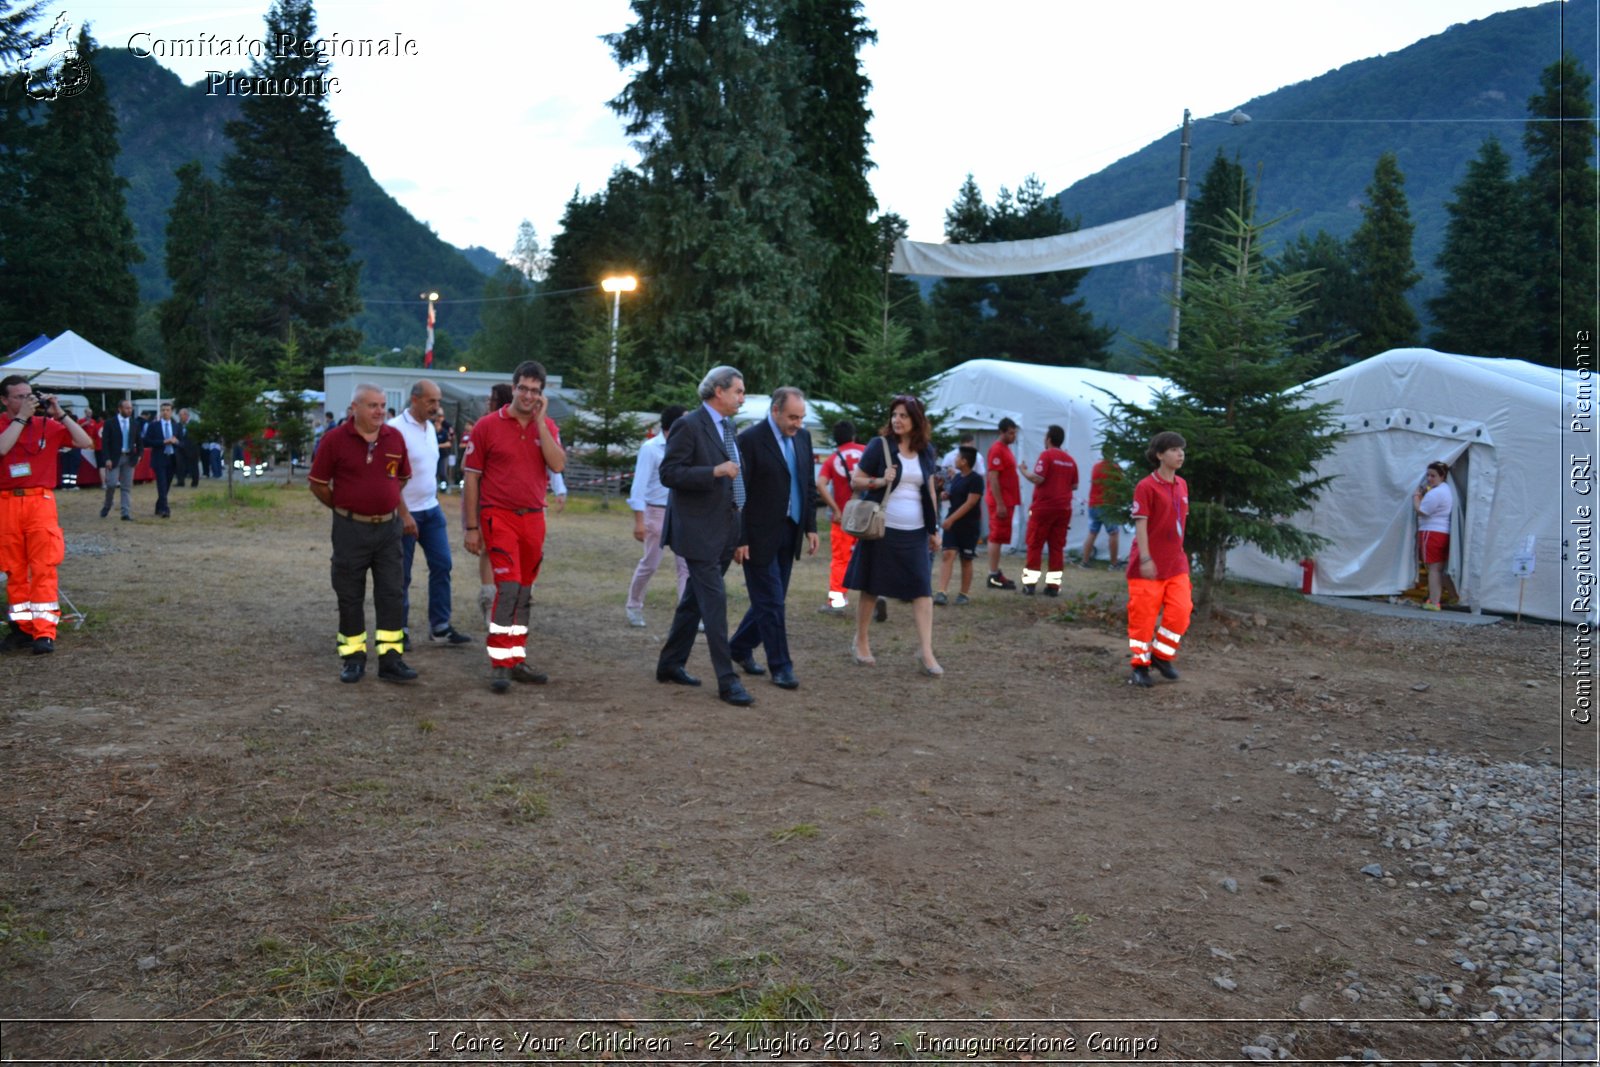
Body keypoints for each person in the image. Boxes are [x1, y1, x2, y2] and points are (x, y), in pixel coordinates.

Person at [654, 365, 756, 708]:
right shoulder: (688, 425)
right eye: (738, 391)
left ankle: (669, 664)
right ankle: (728, 682)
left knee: (694, 601)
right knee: (714, 602)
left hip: (726, 528)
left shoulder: (729, 426)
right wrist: (714, 471)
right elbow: (669, 473)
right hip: (698, 532)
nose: (742, 397)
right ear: (718, 391)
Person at [461, 360, 565, 693]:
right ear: (514, 386)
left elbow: (558, 464)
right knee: (507, 589)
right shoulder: (487, 425)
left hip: (534, 516)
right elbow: (471, 478)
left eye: (535, 391)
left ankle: (517, 658)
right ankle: (500, 664)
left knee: (524, 592)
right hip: (499, 515)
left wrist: (542, 425)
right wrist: (472, 527)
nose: (528, 395)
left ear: (541, 395)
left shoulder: (546, 425)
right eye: (523, 388)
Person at [307, 383, 419, 684]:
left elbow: (401, 478)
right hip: (349, 530)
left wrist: (383, 503)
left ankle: (391, 660)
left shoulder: (394, 438)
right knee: (349, 594)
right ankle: (353, 658)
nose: (380, 411)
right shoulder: (334, 440)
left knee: (392, 593)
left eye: (382, 405)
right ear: (354, 408)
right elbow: (318, 483)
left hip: (387, 530)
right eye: (373, 406)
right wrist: (344, 507)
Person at [727, 387, 819, 690]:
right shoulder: (750, 440)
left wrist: (810, 527)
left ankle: (739, 648)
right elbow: (738, 494)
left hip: (790, 531)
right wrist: (739, 538)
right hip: (757, 536)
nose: (798, 423)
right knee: (772, 603)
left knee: (771, 601)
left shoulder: (803, 438)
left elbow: (807, 483)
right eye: (793, 417)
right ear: (775, 411)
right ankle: (781, 665)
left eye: (802, 418)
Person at [844, 394, 943, 676]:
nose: (897, 420)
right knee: (872, 587)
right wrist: (879, 480)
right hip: (881, 530)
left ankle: (925, 652)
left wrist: (933, 529)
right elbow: (856, 480)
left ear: (916, 421)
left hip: (915, 532)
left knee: (923, 590)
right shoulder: (880, 446)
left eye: (904, 416)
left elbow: (931, 491)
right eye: (894, 415)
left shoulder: (926, 451)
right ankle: (860, 641)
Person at [0, 375, 94, 654]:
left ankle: (44, 632)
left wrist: (61, 414)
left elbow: (85, 441)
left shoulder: (47, 426)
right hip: (6, 503)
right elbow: (2, 448)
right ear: (4, 400)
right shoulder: (4, 424)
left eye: (29, 395)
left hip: (39, 502)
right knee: (14, 571)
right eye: (19, 396)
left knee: (43, 568)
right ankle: (21, 628)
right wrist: (20, 420)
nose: (27, 400)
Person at [390, 379, 472, 648]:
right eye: (431, 401)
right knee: (401, 575)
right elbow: (388, 478)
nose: (437, 407)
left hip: (431, 509)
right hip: (406, 513)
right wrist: (404, 514)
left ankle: (440, 626)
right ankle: (398, 628)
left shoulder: (429, 428)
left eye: (438, 401)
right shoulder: (395, 431)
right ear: (415, 400)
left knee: (442, 565)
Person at [1126, 431, 1191, 688]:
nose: (1180, 454)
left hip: (1175, 562)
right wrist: (1145, 558)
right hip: (1148, 563)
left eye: (1182, 449)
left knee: (1181, 611)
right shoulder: (1146, 486)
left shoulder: (1182, 484)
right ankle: (1140, 665)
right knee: (1143, 617)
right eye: (1174, 449)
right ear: (1159, 455)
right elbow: (1140, 525)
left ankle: (1162, 657)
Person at [625, 404, 690, 627]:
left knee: (686, 566)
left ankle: (686, 614)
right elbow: (639, 486)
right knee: (650, 563)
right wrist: (639, 521)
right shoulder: (651, 448)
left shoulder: (686, 447)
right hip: (656, 512)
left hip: (681, 512)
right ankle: (634, 605)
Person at [466, 382, 514, 625]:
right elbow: (472, 469)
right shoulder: (484, 425)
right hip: (486, 497)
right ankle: (488, 599)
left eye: (491, 398)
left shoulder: (515, 426)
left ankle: (509, 601)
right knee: (487, 548)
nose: (488, 402)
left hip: (510, 499)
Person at [1019, 423, 1078, 597]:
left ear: (1049, 439)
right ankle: (1053, 586)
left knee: (1035, 544)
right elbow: (1074, 485)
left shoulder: (1046, 455)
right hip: (1063, 509)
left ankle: (1030, 584)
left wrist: (1023, 471)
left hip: (1043, 508)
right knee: (1057, 547)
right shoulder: (1070, 460)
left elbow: (1037, 478)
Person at [815, 419, 866, 616]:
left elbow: (820, 484)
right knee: (873, 557)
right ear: (854, 435)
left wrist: (835, 508)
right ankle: (877, 596)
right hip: (868, 515)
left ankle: (837, 603)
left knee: (840, 561)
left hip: (844, 518)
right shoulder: (867, 450)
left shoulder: (832, 459)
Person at [935, 445, 982, 606]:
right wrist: (945, 494)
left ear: (964, 461)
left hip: (968, 525)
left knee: (966, 559)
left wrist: (951, 519)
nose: (954, 460)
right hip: (953, 524)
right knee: (948, 554)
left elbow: (970, 503)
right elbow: (955, 496)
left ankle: (964, 593)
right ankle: (941, 592)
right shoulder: (957, 478)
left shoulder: (976, 479)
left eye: (957, 457)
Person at [984, 417, 1022, 590]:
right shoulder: (997, 450)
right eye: (1011, 433)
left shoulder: (1005, 449)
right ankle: (993, 575)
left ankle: (996, 572)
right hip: (1001, 502)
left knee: (1000, 537)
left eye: (1014, 433)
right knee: (996, 536)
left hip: (1008, 500)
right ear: (1002, 432)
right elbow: (993, 477)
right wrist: (1000, 503)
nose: (1013, 436)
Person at [1414, 460, 1454, 612]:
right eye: (1428, 475)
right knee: (1440, 568)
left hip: (1431, 532)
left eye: (1433, 475)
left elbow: (1422, 511)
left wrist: (1416, 496)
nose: (1430, 479)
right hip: (1443, 532)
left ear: (1442, 476)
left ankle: (1434, 601)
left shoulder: (1436, 493)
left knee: (1433, 569)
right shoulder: (1446, 490)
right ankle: (1452, 595)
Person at [1080, 443, 1125, 568]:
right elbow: (1120, 488)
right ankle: (1114, 563)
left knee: (1092, 533)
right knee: (1114, 533)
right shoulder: (1115, 468)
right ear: (1113, 453)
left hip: (1093, 504)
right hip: (1107, 506)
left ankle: (1085, 561)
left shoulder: (1096, 467)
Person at [97, 399, 141, 521]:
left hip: (129, 457)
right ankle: (107, 504)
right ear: (119, 409)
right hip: (114, 458)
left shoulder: (134, 423)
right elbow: (105, 443)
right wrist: (107, 458)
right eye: (127, 408)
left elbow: (139, 441)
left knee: (126, 486)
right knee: (111, 484)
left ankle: (125, 512)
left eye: (130, 408)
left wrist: (139, 455)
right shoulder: (110, 423)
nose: (129, 410)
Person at [141, 401, 181, 518]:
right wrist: (163, 442)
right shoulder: (154, 425)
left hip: (172, 458)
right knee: (162, 484)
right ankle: (165, 509)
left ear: (171, 412)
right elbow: (146, 441)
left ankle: (159, 505)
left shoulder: (176, 426)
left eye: (168, 410)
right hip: (159, 458)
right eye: (163, 410)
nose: (165, 412)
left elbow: (183, 442)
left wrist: (176, 442)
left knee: (167, 485)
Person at [177, 408, 202, 487]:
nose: (180, 417)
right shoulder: (178, 425)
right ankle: (180, 481)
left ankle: (195, 482)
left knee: (193, 466)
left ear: (186, 415)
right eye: (179, 415)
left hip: (192, 449)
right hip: (181, 449)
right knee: (180, 466)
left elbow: (197, 437)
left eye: (181, 415)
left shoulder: (193, 424)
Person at [433, 410, 454, 494]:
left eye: (437, 425)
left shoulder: (444, 432)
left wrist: (439, 445)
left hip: (443, 455)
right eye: (435, 425)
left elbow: (449, 443)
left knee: (443, 473)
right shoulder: (432, 432)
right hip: (435, 456)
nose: (436, 426)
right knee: (435, 472)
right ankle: (437, 488)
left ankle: (445, 488)